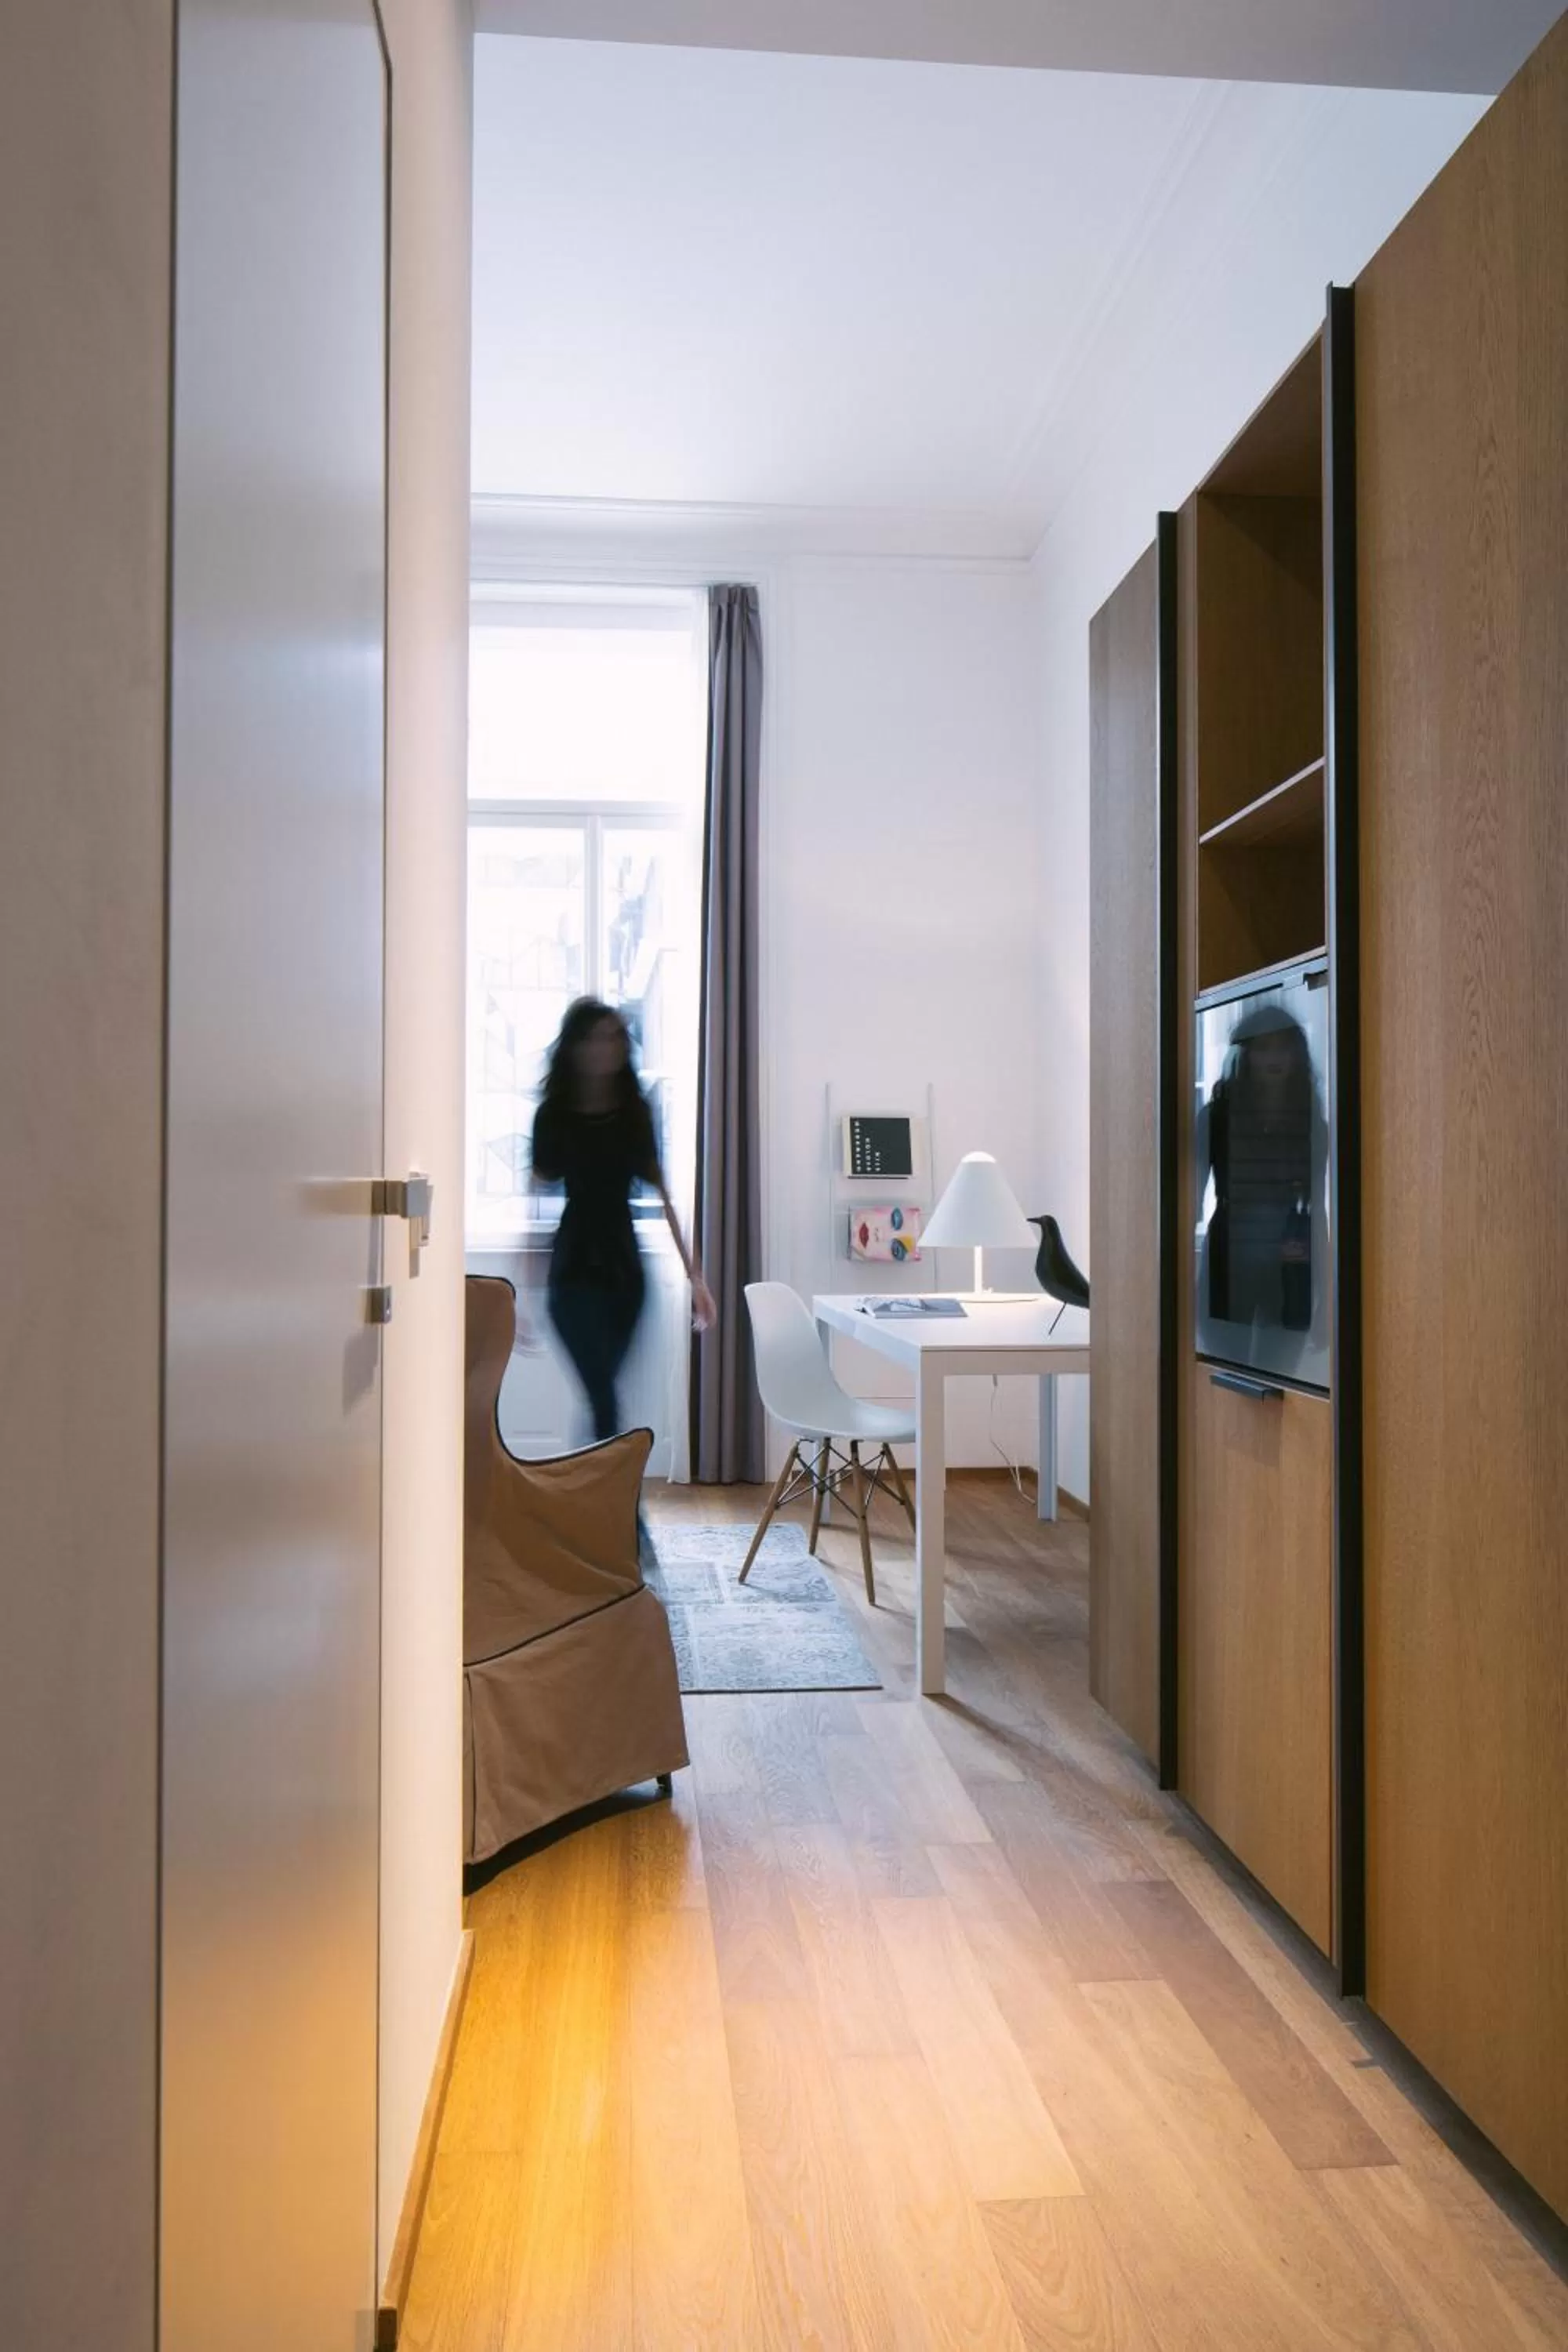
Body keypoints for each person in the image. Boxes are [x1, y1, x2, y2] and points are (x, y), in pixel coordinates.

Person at [530, 997, 715, 1444]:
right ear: (574, 1046)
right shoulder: (552, 1113)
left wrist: (696, 1277)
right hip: (572, 1269)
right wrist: (520, 1287)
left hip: (624, 1272)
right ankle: (619, 1511)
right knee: (603, 1397)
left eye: (614, 1037)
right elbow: (534, 1195)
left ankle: (592, 1498)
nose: (605, 1047)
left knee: (604, 1397)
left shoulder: (635, 1112)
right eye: (594, 1037)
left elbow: (665, 1194)